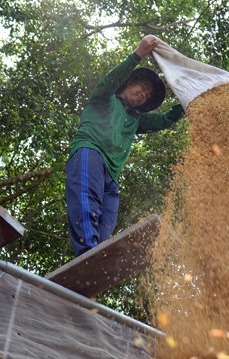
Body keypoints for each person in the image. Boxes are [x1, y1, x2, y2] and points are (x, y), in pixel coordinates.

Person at [66, 35, 185, 257]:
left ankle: (94, 260)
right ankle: (86, 254)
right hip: (89, 154)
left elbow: (164, 120)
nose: (143, 94)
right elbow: (111, 79)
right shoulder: (104, 97)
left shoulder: (135, 120)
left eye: (147, 95)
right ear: (130, 82)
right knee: (86, 204)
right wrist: (138, 54)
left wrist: (186, 103)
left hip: (111, 175)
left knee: (107, 221)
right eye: (143, 87)